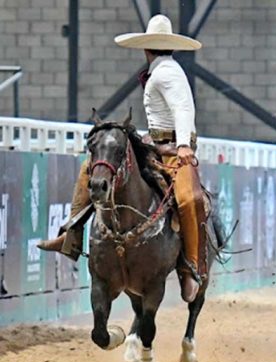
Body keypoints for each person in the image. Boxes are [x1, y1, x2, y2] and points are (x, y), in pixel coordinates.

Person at [37, 15, 206, 303]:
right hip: (158, 144)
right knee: (98, 166)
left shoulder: (166, 73)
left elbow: (181, 109)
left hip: (175, 149)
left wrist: (181, 146)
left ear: (146, 48)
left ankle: (191, 266)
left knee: (189, 199)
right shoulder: (164, 69)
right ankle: (72, 231)